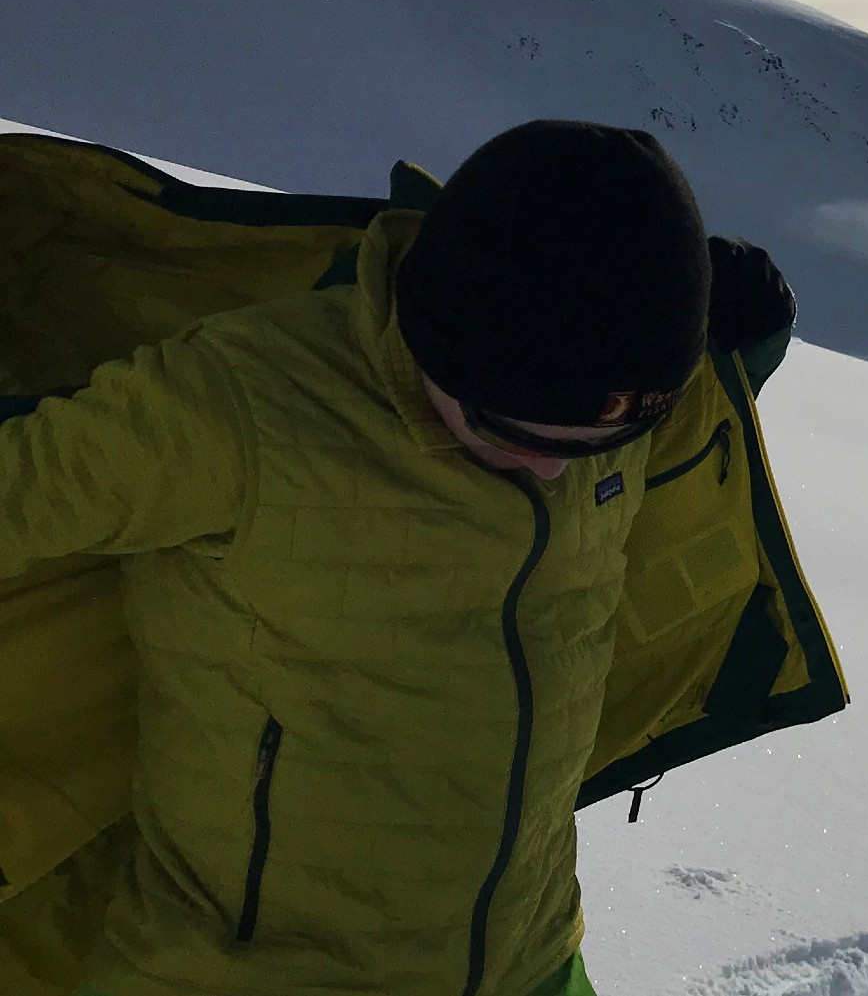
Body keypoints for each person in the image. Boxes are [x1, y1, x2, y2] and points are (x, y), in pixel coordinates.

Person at [0, 121, 744, 996]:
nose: (553, 469)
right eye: (516, 430)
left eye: (602, 444)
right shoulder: (233, 406)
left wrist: (741, 349)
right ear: (439, 334)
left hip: (529, 958)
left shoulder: (597, 403)